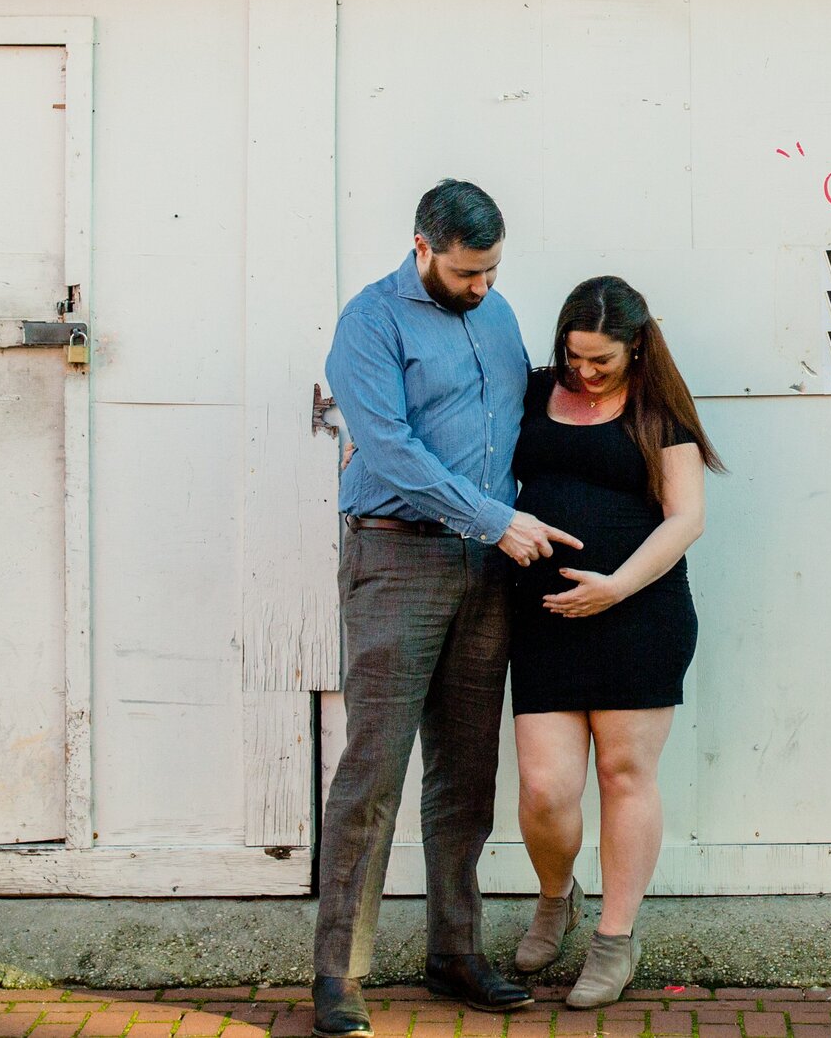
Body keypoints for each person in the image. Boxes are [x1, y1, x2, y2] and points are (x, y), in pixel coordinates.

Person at [313, 180, 583, 1037]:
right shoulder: (369, 321)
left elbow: (519, 418)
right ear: (422, 246)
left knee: (466, 773)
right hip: (398, 553)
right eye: (468, 272)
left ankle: (455, 951)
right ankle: (339, 974)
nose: (482, 287)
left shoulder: (498, 316)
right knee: (374, 771)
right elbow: (388, 448)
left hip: (489, 565)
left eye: (494, 270)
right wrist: (497, 518)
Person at [507, 276, 723, 1008]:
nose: (585, 372)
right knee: (545, 788)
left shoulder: (659, 411)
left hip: (640, 615)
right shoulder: (534, 391)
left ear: (636, 346)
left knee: (625, 775)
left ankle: (614, 937)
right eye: (574, 357)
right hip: (545, 616)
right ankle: (553, 894)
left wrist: (616, 586)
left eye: (601, 360)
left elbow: (684, 518)